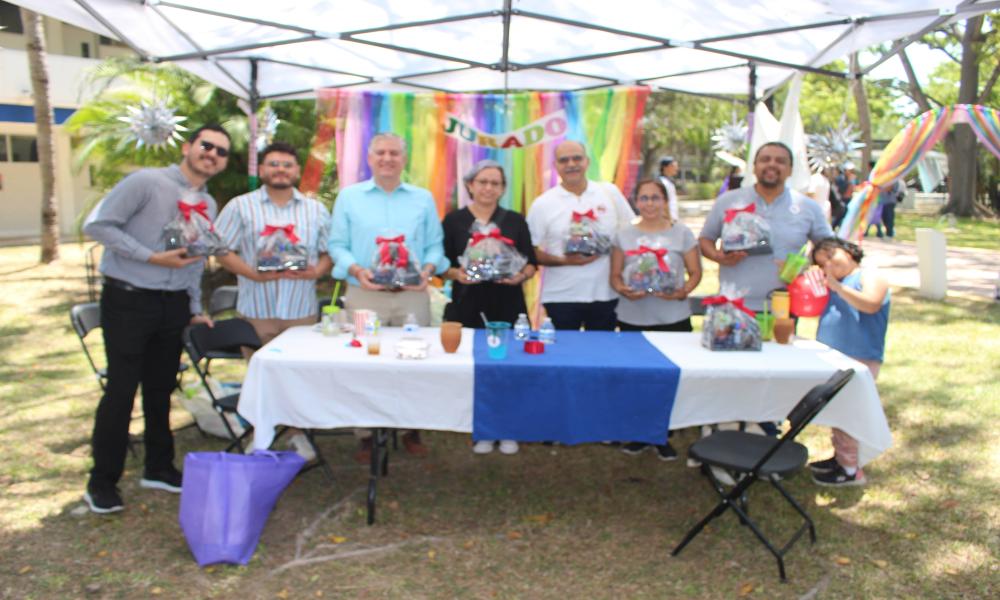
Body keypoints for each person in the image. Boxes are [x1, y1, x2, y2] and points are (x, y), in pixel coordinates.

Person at [81, 124, 230, 513]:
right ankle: (102, 482)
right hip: (129, 299)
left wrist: (193, 308)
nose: (212, 154)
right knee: (121, 391)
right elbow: (97, 226)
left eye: (221, 152)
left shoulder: (207, 204)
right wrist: (149, 256)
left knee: (161, 388)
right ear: (187, 146)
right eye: (207, 145)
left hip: (173, 305)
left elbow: (194, 261)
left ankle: (159, 467)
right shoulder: (146, 182)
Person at [328, 132, 449, 462]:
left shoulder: (422, 199)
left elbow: (435, 245)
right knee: (364, 361)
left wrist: (427, 270)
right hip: (365, 294)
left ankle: (411, 428)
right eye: (380, 153)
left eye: (394, 153)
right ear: (369, 158)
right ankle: (366, 433)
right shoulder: (349, 197)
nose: (387, 159)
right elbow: (336, 244)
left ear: (404, 159)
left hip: (411, 295)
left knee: (414, 360)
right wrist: (356, 270)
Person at [214, 141, 332, 460]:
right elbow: (219, 248)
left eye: (287, 165)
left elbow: (328, 252)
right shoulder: (240, 206)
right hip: (257, 310)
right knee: (260, 378)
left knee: (299, 377)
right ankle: (260, 434)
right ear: (262, 169)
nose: (280, 170)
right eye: (274, 164)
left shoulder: (315, 210)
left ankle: (296, 434)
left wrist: (316, 272)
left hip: (300, 311)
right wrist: (251, 274)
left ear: (297, 170)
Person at [442, 160, 537, 455]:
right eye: (482, 182)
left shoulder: (515, 220)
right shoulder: (454, 221)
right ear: (470, 185)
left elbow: (531, 262)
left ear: (503, 188)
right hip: (468, 303)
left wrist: (520, 276)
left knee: (510, 365)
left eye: (495, 183)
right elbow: (443, 264)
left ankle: (508, 427)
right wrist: (457, 274)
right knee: (475, 365)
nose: (488, 188)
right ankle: (482, 428)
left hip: (507, 302)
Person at [610, 178, 702, 460]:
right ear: (636, 202)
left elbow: (695, 272)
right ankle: (639, 432)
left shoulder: (681, 233)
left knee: (669, 377)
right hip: (633, 317)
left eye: (655, 198)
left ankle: (664, 432)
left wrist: (682, 291)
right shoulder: (624, 234)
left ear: (665, 201)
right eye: (644, 198)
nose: (649, 204)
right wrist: (624, 289)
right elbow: (615, 276)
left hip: (672, 317)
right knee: (636, 376)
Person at [699, 141, 834, 312]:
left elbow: (829, 249)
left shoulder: (807, 207)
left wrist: (806, 265)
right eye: (765, 159)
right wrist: (718, 256)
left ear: (790, 170)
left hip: (784, 306)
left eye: (780, 161)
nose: (772, 164)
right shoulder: (728, 201)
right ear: (754, 167)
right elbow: (705, 239)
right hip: (733, 305)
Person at [526, 140, 635, 331]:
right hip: (561, 295)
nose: (571, 164)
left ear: (587, 161)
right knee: (565, 348)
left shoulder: (609, 193)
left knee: (603, 348)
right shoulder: (543, 204)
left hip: (606, 293)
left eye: (577, 158)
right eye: (564, 160)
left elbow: (629, 236)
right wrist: (564, 261)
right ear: (555, 165)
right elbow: (529, 251)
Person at [809, 237, 890, 486]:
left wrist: (837, 288)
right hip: (833, 357)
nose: (828, 266)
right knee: (839, 412)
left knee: (851, 414)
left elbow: (871, 304)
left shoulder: (868, 276)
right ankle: (841, 458)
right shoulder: (834, 284)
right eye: (822, 263)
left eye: (831, 256)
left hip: (860, 357)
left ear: (848, 252)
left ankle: (850, 469)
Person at [658, 156, 681, 222]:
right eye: (673, 166)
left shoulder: (669, 181)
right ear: (665, 167)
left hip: (672, 218)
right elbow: (664, 202)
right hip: (666, 220)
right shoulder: (661, 182)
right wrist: (669, 219)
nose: (676, 168)